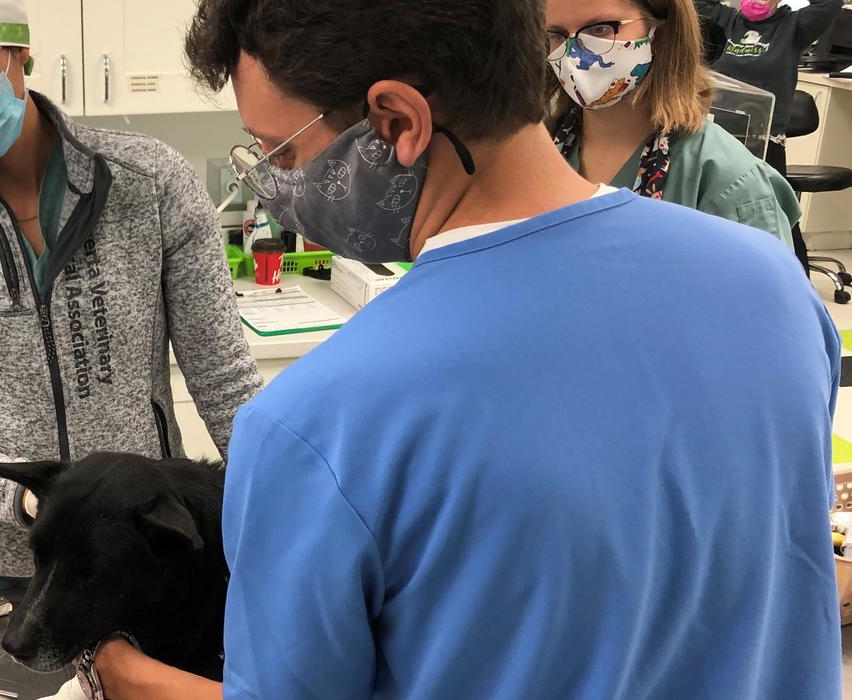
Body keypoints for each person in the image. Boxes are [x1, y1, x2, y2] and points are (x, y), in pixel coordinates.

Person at [92, 0, 841, 697]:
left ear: (397, 123)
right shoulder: (771, 283)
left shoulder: (313, 427)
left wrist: (129, 676)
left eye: (278, 152)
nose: (275, 185)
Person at [0, 0, 261, 591]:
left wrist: (275, 502)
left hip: (140, 550)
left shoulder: (149, 185)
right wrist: (24, 496)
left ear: (20, 53)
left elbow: (224, 379)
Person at [546, 0, 802, 250]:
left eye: (599, 29)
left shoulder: (729, 181)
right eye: (557, 35)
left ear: (660, 34)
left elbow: (766, 289)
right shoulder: (545, 148)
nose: (573, 54)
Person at [699, 0, 841, 268]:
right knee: (711, 218)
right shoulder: (725, 21)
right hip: (717, 137)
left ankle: (796, 284)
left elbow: (829, 4)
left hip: (764, 144)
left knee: (778, 220)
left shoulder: (794, 26)